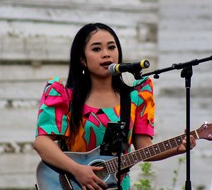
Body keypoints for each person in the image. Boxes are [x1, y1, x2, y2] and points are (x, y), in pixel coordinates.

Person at [34, 22, 196, 190]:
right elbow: (42, 142)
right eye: (97, 49)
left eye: (111, 47)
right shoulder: (64, 95)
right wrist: (77, 170)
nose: (106, 54)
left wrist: (178, 147)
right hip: (71, 183)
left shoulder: (135, 97)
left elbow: (144, 148)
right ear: (82, 59)